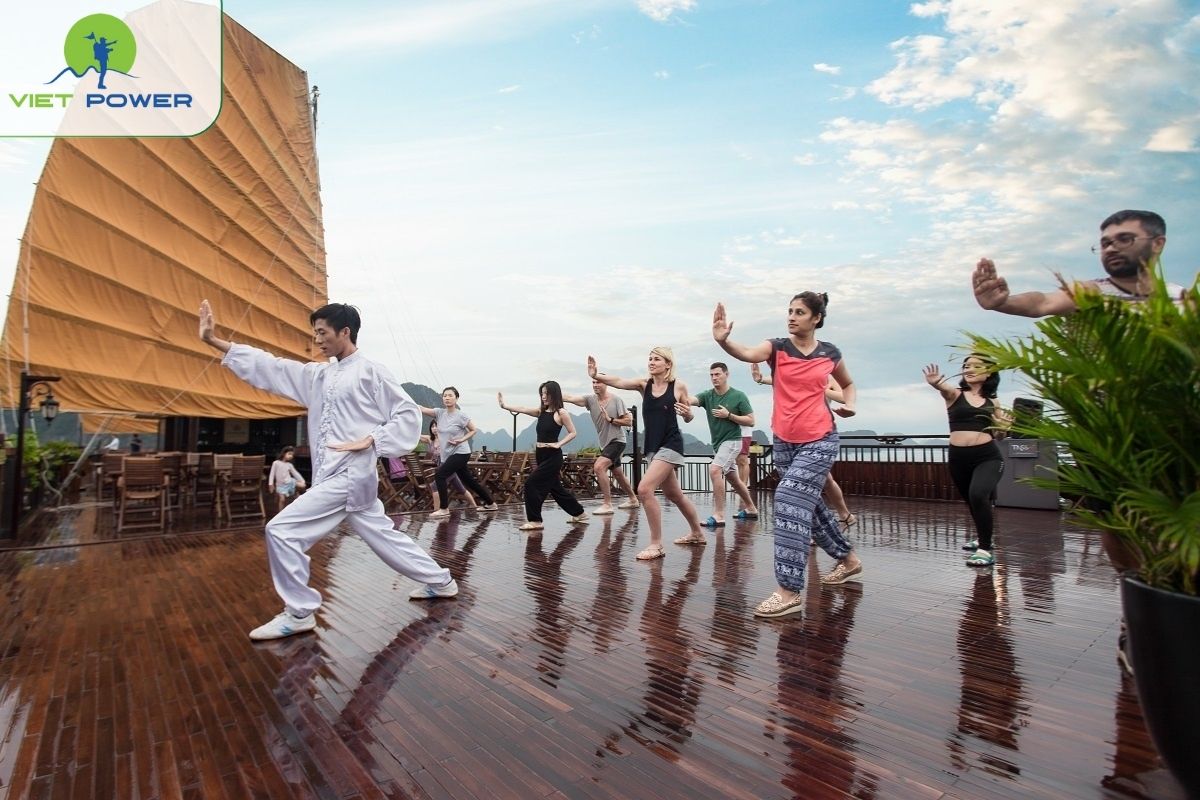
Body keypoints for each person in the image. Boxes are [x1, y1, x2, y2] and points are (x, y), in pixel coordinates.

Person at [199, 300, 459, 641]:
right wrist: (217, 342)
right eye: (315, 333)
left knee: (282, 531)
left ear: (345, 331)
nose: (317, 340)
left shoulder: (371, 371)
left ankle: (299, 611)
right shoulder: (319, 374)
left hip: (350, 473)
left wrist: (372, 439)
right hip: (337, 474)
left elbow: (407, 414)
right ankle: (441, 581)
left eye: (322, 332)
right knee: (384, 536)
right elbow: (274, 368)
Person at [713, 293, 863, 619]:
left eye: (800, 312)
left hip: (820, 439)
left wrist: (850, 404)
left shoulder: (829, 353)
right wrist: (725, 342)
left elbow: (848, 384)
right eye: (790, 311)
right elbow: (747, 352)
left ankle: (789, 590)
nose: (792, 317)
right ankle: (848, 559)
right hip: (785, 443)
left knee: (788, 499)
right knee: (812, 508)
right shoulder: (777, 348)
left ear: (816, 318)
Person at [587, 348, 705, 560]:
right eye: (650, 359)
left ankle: (656, 544)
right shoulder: (644, 385)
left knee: (644, 489)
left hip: (671, 444)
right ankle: (697, 533)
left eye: (656, 359)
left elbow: (688, 416)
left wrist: (689, 415)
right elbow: (620, 381)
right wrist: (597, 375)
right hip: (653, 447)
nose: (651, 362)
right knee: (674, 494)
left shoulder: (678, 386)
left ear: (668, 364)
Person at [972, 209, 1183, 316]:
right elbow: (1042, 302)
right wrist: (1003, 303)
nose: (1111, 248)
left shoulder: (1184, 299)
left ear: (1157, 244)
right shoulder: (1092, 292)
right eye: (1105, 243)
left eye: (1124, 239)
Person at [923, 356, 1011, 567]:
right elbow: (945, 389)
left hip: (987, 456)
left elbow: (999, 436)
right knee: (973, 501)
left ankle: (985, 549)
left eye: (976, 366)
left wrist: (1004, 427)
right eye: (966, 366)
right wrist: (936, 383)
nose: (969, 369)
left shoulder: (993, 402)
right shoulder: (955, 394)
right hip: (958, 457)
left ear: (989, 373)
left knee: (978, 494)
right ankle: (982, 538)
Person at [750, 364, 856, 530]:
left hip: (818, 434)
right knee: (824, 479)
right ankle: (842, 516)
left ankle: (827, 522)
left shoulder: (828, 376)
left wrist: (820, 390)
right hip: (794, 435)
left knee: (813, 481)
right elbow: (780, 380)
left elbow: (844, 396)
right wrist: (761, 379)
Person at [499, 382, 588, 531]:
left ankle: (535, 521)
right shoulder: (541, 411)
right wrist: (505, 405)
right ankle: (580, 513)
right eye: (542, 393)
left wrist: (558, 444)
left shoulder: (561, 413)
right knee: (556, 489)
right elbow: (523, 409)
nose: (544, 396)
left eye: (547, 393)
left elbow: (573, 432)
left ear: (555, 394)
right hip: (541, 454)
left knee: (530, 484)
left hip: (553, 456)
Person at [684, 362, 759, 527]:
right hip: (718, 444)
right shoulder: (708, 395)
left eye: (717, 374)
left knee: (715, 470)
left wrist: (729, 415)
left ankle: (718, 515)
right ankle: (751, 509)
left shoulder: (738, 396)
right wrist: (682, 399)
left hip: (733, 441)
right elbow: (692, 400)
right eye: (711, 375)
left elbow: (751, 421)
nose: (714, 378)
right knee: (734, 479)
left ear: (726, 374)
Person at [418, 388, 499, 520]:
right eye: (445, 396)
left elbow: (473, 430)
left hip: (461, 452)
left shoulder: (461, 415)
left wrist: (462, 439)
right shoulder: (439, 413)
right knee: (469, 481)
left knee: (440, 475)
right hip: (449, 455)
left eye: (450, 396)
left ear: (456, 398)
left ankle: (444, 509)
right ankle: (491, 503)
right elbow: (421, 409)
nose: (447, 398)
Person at [563, 379, 639, 515]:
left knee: (598, 467)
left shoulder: (616, 400)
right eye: (593, 382)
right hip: (604, 443)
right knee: (618, 474)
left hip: (617, 441)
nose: (595, 385)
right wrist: (554, 392)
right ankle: (633, 499)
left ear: (606, 384)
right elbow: (570, 398)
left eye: (598, 382)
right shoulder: (590, 400)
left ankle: (607, 504)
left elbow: (629, 421)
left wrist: (610, 419)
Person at [420, 420, 477, 512]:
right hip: (441, 467)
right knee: (460, 488)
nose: (434, 428)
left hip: (448, 466)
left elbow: (458, 445)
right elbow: (416, 435)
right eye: (432, 426)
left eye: (436, 426)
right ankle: (475, 506)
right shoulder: (430, 439)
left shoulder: (446, 438)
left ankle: (437, 510)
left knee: (434, 486)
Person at [268, 445, 308, 513]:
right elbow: (272, 474)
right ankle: (280, 514)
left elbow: (295, 473)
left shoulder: (289, 465)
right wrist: (270, 484)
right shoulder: (276, 463)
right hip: (280, 486)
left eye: (292, 455)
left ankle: (296, 494)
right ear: (284, 453)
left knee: (303, 485)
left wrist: (302, 480)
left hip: (290, 482)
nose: (291, 456)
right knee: (282, 499)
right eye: (289, 454)